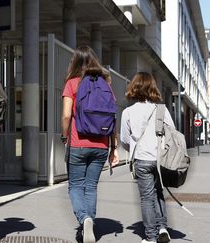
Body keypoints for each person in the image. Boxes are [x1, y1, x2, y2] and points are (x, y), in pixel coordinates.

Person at [61, 45, 119, 243]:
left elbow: (67, 114)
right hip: (101, 145)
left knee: (75, 186)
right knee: (91, 187)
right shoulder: (106, 83)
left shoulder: (72, 83)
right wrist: (114, 148)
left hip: (78, 143)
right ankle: (90, 223)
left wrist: (64, 135)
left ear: (75, 61)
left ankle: (85, 219)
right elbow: (113, 117)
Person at [120, 72, 172, 243]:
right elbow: (172, 133)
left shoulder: (128, 112)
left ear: (134, 88)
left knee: (146, 198)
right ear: (152, 88)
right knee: (159, 193)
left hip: (141, 159)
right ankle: (163, 228)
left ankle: (150, 237)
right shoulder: (162, 110)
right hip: (160, 159)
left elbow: (125, 140)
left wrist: (133, 148)